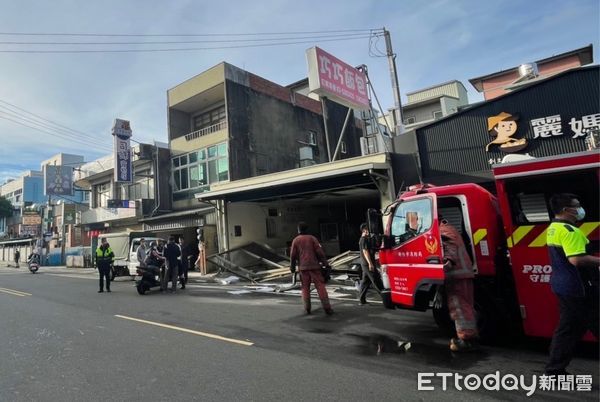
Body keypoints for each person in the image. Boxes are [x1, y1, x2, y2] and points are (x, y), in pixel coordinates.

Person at [545, 193, 600, 376]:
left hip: (564, 286)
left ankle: (554, 372)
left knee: (568, 329)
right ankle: (554, 371)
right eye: (576, 205)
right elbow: (576, 259)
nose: (580, 209)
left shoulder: (553, 228)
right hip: (580, 288)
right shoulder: (570, 231)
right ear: (566, 210)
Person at [440, 219, 479, 352]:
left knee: (459, 308)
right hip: (462, 274)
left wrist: (445, 264)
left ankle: (466, 339)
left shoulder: (444, 230)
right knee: (466, 306)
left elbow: (450, 250)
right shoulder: (448, 228)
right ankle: (470, 335)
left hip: (457, 275)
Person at [289, 222, 333, 315]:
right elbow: (320, 253)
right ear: (307, 229)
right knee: (320, 286)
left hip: (303, 268)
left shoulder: (296, 240)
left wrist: (292, 267)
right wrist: (326, 264)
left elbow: (292, 256)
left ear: (298, 230)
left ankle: (307, 308)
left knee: (305, 287)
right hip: (315, 267)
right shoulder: (313, 239)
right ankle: (327, 308)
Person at [357, 223, 383, 305]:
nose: (369, 231)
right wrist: (370, 263)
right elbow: (365, 252)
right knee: (376, 280)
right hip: (367, 263)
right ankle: (386, 299)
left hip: (365, 263)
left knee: (365, 282)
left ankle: (362, 301)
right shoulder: (363, 239)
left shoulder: (365, 239)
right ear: (364, 230)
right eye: (368, 229)